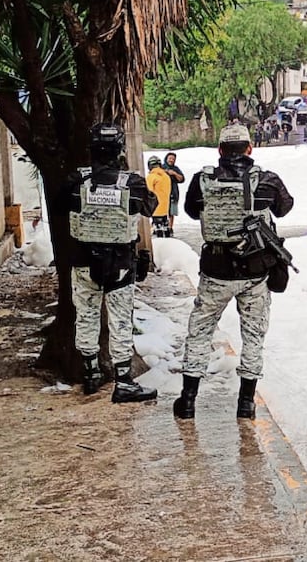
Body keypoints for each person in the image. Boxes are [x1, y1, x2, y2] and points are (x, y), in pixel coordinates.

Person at [174, 124, 294, 420]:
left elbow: (191, 211)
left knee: (199, 332)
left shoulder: (202, 180)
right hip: (255, 274)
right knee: (253, 335)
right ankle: (246, 403)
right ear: (249, 149)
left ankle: (188, 402)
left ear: (220, 151)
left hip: (215, 271)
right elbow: (285, 208)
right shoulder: (266, 180)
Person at [65, 123, 158, 403]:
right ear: (120, 149)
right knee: (120, 322)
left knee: (87, 316)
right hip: (120, 264)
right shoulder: (131, 183)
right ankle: (123, 381)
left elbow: (60, 206)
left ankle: (91, 373)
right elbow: (151, 207)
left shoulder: (76, 180)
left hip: (83, 262)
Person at [146, 155, 173, 237]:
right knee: (166, 227)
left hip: (155, 208)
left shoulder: (151, 177)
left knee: (158, 229)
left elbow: (148, 191)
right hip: (165, 207)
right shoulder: (166, 176)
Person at [163, 152, 186, 233]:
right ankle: (159, 226)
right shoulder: (161, 168)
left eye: (173, 159)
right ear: (166, 158)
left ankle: (170, 227)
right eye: (170, 158)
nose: (171, 160)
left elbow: (182, 179)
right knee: (161, 210)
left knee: (171, 212)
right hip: (163, 193)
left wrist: (174, 174)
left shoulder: (176, 169)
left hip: (173, 193)